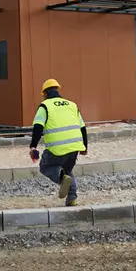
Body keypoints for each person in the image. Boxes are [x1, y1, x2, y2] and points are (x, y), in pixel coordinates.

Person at [29, 78, 88, 207]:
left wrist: (33, 146)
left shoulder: (45, 106)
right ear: (57, 90)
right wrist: (85, 147)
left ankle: (61, 178)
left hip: (56, 149)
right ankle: (72, 198)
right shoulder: (72, 105)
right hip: (74, 147)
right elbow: (83, 127)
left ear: (45, 93)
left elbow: (38, 127)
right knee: (68, 170)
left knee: (45, 167)